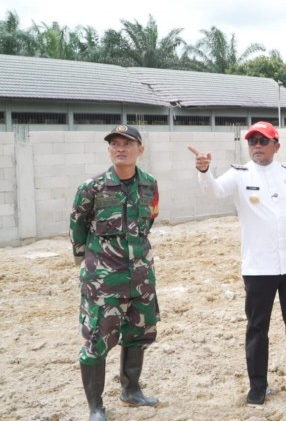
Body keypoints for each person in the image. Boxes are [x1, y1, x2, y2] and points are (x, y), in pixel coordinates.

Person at [188, 121, 286, 407]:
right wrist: (204, 171)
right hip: (257, 267)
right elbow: (214, 190)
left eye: (263, 141)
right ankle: (258, 387)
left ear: (277, 145)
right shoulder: (239, 174)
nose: (257, 146)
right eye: (252, 141)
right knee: (257, 327)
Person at [69, 124, 161, 421]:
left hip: (140, 278)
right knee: (97, 340)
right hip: (103, 282)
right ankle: (96, 407)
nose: (121, 148)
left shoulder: (149, 184)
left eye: (127, 143)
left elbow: (150, 221)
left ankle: (131, 391)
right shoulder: (92, 187)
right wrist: (89, 263)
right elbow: (77, 225)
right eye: (115, 144)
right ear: (109, 150)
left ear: (140, 150)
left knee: (138, 334)